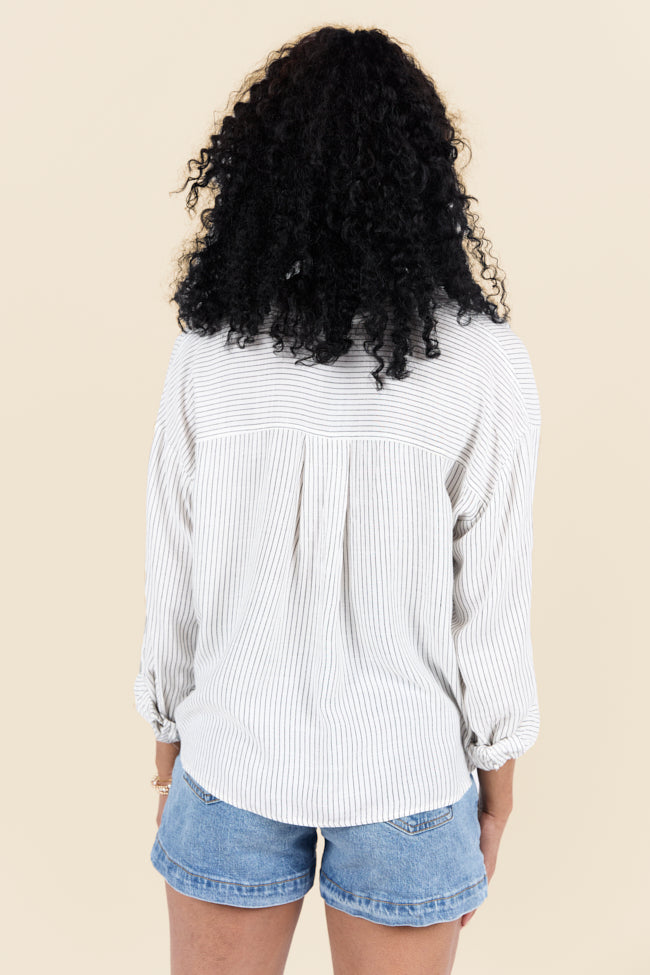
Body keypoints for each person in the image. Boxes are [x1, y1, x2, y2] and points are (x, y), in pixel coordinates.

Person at [133, 24, 542, 975]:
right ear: (424, 178)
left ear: (260, 172)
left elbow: (174, 571)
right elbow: (491, 602)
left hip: (231, 755)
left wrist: (167, 746)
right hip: (408, 774)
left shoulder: (208, 353)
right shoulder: (481, 362)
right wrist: (499, 776)